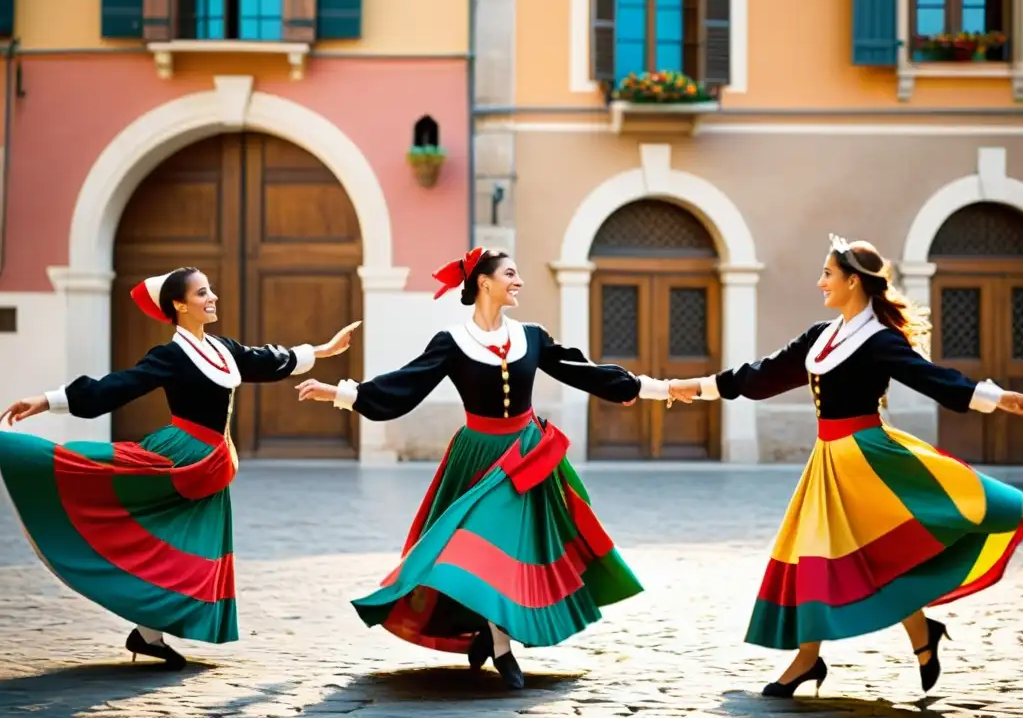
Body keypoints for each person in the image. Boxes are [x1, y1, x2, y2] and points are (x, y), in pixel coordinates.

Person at [660, 235, 1023, 697]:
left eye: (828, 274)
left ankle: (814, 658)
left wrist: (999, 398)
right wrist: (700, 385)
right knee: (842, 555)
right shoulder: (820, 337)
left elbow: (934, 380)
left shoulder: (879, 341)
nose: (820, 283)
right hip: (830, 461)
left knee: (867, 553)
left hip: (873, 460)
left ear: (854, 281)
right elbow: (763, 373)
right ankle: (900, 638)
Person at [295, 247, 664, 689]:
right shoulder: (452, 343)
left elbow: (583, 371)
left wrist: (651, 387)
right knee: (475, 550)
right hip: (478, 456)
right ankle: (498, 643)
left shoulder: (532, 336)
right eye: (511, 273)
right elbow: (404, 385)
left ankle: (496, 641)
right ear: (484, 282)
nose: (519, 281)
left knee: (504, 551)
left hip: (527, 457)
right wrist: (339, 393)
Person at [0, 267, 359, 669]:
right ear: (179, 304)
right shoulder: (169, 356)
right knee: (168, 540)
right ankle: (147, 627)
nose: (213, 298)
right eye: (203, 292)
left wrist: (322, 351)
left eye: (211, 290)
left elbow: (266, 359)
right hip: (181, 459)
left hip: (209, 465)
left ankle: (148, 633)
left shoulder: (222, 349)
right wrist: (49, 399)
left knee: (190, 545)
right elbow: (116, 387)